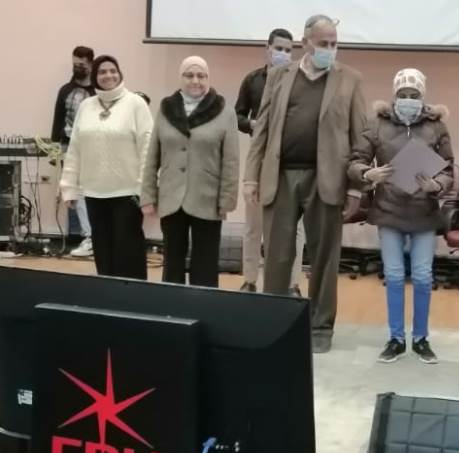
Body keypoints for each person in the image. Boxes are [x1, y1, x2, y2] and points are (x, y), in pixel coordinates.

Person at [244, 14, 366, 353]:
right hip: (280, 176)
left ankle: (321, 326)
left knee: (324, 256)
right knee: (277, 255)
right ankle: (274, 324)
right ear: (305, 42)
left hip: (326, 180)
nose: (329, 49)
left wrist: (355, 187)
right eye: (323, 43)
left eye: (334, 43)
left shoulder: (350, 80)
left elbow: (361, 138)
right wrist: (251, 176)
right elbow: (262, 129)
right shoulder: (279, 76)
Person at [348, 68, 454, 363]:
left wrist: (437, 185)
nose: (408, 99)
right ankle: (396, 339)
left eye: (414, 94)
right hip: (389, 211)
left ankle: (421, 339)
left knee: (422, 276)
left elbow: (448, 168)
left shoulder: (436, 126)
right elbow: (355, 161)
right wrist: (367, 173)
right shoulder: (376, 124)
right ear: (395, 96)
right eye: (403, 94)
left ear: (423, 96)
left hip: (423, 213)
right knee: (394, 276)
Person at [141, 56, 239, 287]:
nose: (195, 80)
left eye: (201, 76)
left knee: (205, 264)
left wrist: (227, 199)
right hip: (171, 197)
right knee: (172, 263)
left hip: (208, 199)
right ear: (181, 78)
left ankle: (203, 305)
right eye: (189, 75)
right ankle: (172, 305)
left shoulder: (224, 111)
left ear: (208, 78)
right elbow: (152, 155)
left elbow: (231, 161)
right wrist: (148, 195)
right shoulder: (166, 109)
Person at [60, 55, 153, 279]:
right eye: (102, 72)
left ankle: (134, 296)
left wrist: (146, 190)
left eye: (113, 70)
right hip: (94, 193)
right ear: (95, 76)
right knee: (103, 252)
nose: (108, 75)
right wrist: (68, 187)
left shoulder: (135, 104)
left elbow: (148, 149)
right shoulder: (86, 106)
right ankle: (107, 295)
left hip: (128, 193)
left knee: (128, 252)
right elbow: (75, 149)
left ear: (120, 74)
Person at [235, 28, 305, 296]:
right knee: (253, 225)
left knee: (294, 228)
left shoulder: (299, 80)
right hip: (260, 158)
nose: (283, 54)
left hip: (290, 161)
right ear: (268, 48)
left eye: (288, 50)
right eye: (279, 49)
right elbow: (238, 115)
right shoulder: (252, 80)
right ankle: (250, 279)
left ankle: (293, 283)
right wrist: (251, 124)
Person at [51, 45, 95, 258]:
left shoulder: (98, 91)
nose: (78, 68)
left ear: (91, 65)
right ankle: (83, 237)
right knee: (73, 193)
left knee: (90, 192)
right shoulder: (65, 91)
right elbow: (57, 119)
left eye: (82, 65)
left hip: (93, 147)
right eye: (75, 64)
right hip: (69, 146)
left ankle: (94, 236)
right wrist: (54, 151)